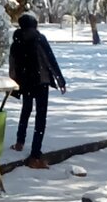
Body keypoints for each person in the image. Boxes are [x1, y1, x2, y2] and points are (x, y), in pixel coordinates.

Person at [8, 12, 67, 169]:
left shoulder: (16, 42)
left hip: (25, 83)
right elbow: (50, 59)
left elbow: (12, 66)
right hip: (41, 82)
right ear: (34, 25)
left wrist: (14, 86)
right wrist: (60, 79)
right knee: (40, 118)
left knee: (26, 111)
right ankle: (35, 156)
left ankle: (20, 142)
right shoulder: (39, 39)